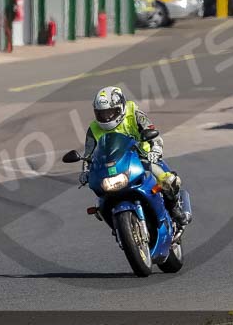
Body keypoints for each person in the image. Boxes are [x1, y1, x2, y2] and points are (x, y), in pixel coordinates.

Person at [79, 87, 191, 227]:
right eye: (101, 113)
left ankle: (175, 209)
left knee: (168, 180)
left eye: (110, 112)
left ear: (121, 107)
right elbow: (88, 155)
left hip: (143, 158)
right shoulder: (94, 129)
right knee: (100, 198)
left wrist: (155, 149)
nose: (106, 117)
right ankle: (116, 226)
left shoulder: (134, 113)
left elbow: (152, 132)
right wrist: (85, 171)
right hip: (114, 165)